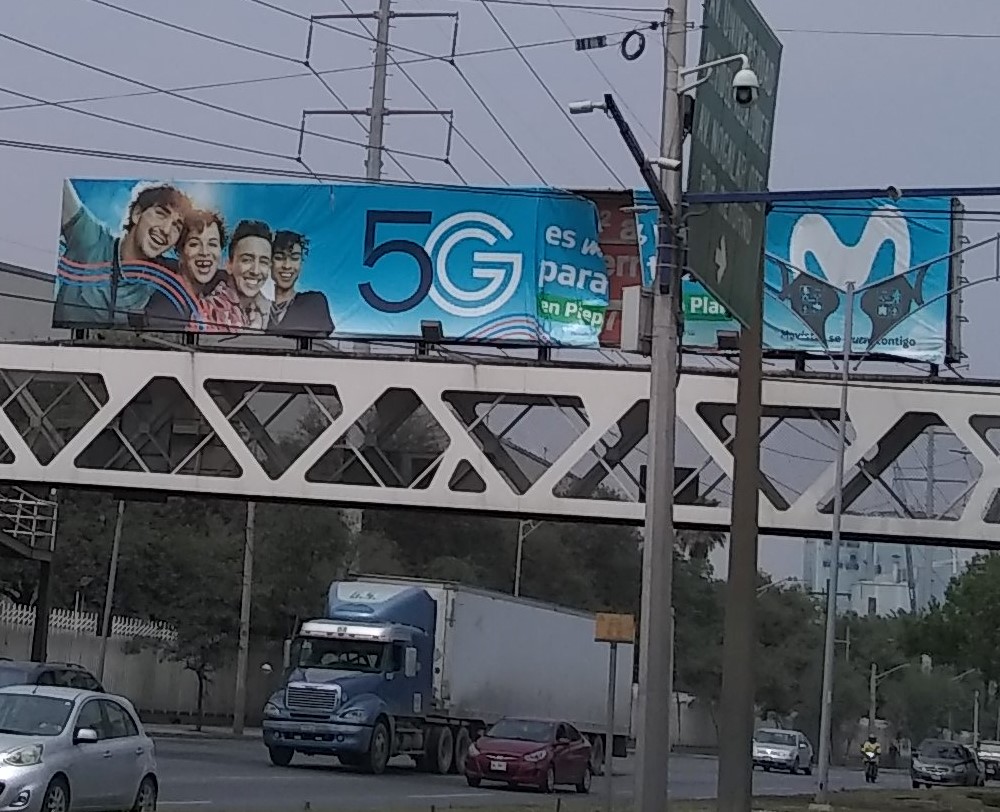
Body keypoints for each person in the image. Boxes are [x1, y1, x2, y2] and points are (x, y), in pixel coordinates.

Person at [54, 180, 191, 327]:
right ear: (137, 214)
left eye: (176, 226)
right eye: (161, 214)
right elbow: (57, 182)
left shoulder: (163, 282)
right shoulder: (93, 240)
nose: (166, 230)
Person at [144, 209, 227, 331]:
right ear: (180, 252)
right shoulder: (166, 307)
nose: (205, 252)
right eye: (194, 244)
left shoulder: (221, 285)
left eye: (212, 244)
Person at [200, 219, 273, 332]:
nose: (255, 271)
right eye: (247, 260)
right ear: (229, 265)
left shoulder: (271, 311)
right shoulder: (207, 310)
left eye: (263, 262)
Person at [266, 230, 334, 338]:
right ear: (269, 262)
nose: (287, 266)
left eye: (295, 258)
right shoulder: (254, 305)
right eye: (279, 258)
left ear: (301, 263)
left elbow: (319, 344)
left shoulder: (313, 303)